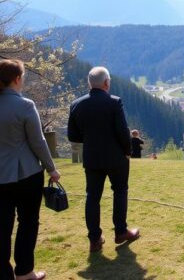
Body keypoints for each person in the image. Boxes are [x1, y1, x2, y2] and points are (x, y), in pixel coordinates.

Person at [0, 59, 60, 280]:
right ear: (17, 79)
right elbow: (38, 142)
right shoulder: (25, 105)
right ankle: (25, 272)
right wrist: (51, 169)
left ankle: (2, 276)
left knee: (0, 227)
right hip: (25, 174)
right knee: (27, 222)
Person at [68, 66, 140, 253]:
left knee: (92, 197)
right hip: (116, 157)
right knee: (120, 191)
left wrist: (92, 140)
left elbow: (73, 136)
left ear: (89, 83)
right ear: (107, 83)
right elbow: (123, 132)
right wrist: (128, 151)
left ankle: (94, 239)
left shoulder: (76, 105)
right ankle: (121, 232)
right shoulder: (114, 102)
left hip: (91, 157)